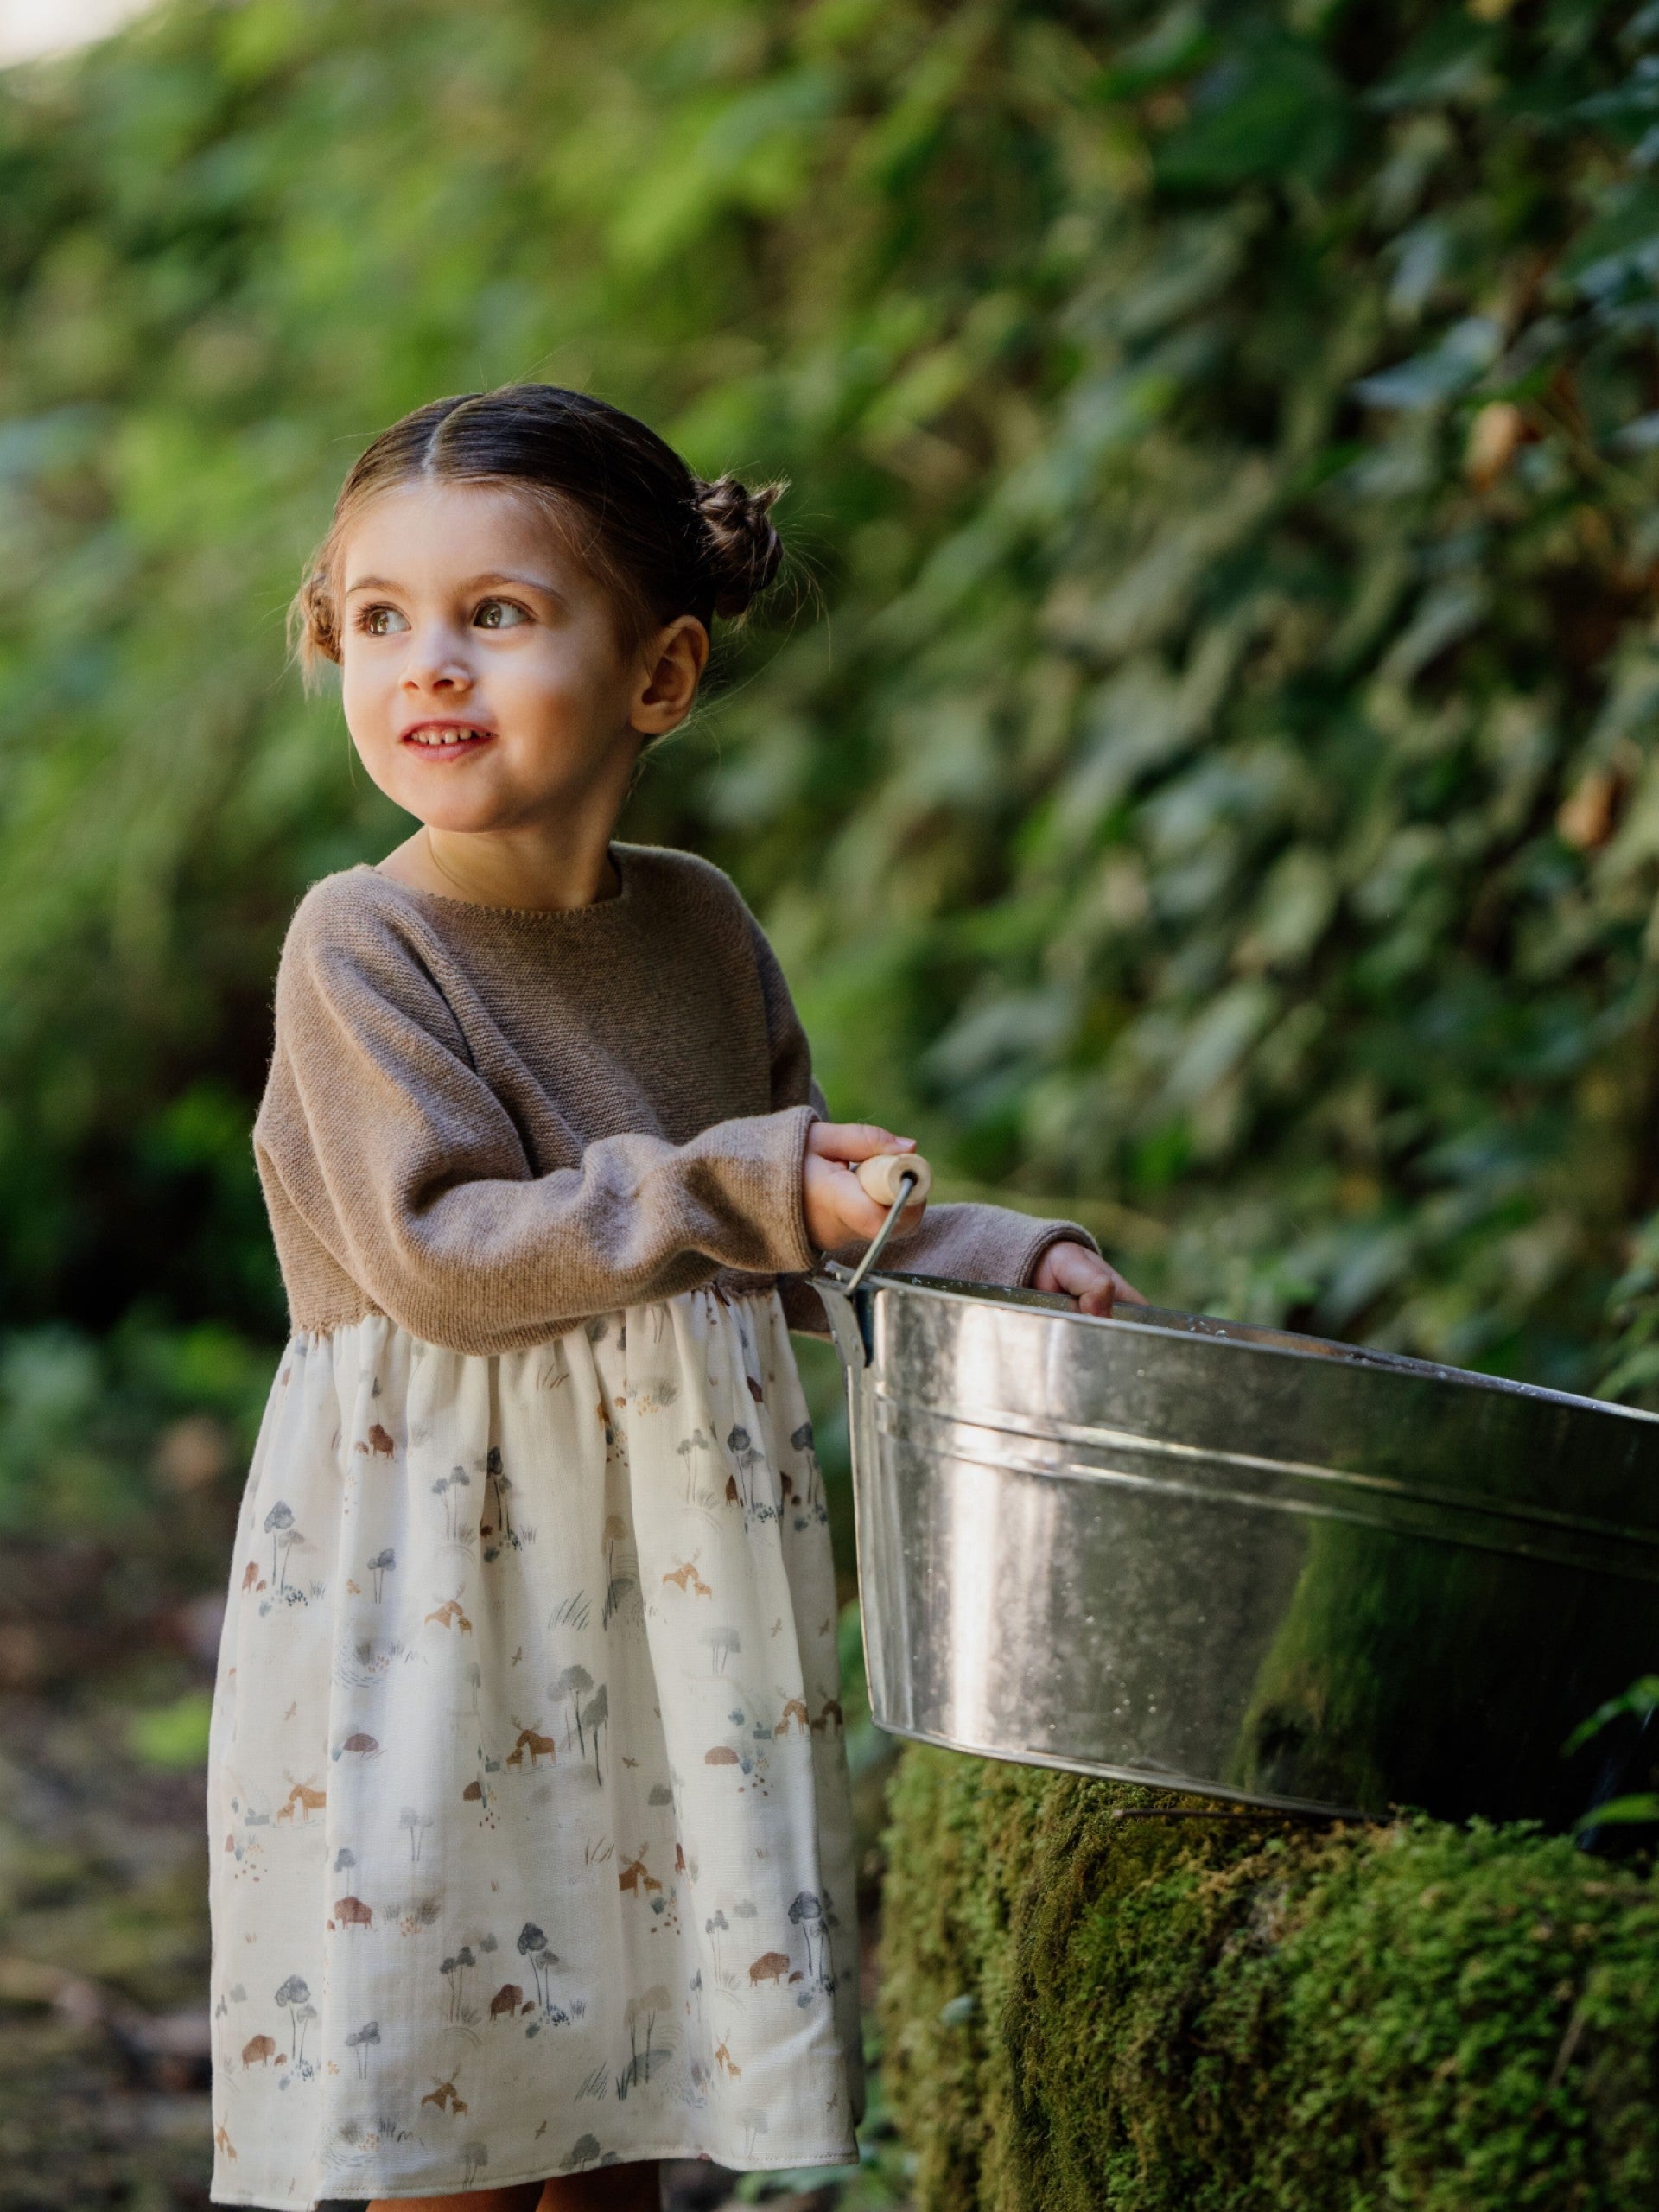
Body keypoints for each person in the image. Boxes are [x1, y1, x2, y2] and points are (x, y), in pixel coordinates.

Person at [207, 384, 1136, 2212]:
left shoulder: (700, 922)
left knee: (629, 2063)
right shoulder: (365, 940)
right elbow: (447, 1257)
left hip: (674, 1580)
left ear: (660, 674)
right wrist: (746, 1182)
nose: (429, 664)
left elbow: (770, 1223)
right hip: (445, 1587)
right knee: (460, 2079)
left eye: (499, 612)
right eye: (380, 617)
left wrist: (986, 1246)